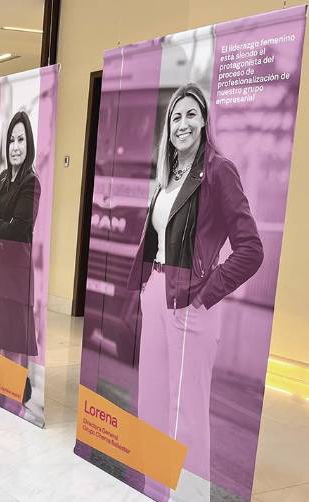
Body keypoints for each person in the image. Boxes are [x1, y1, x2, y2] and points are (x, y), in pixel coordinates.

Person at [127, 84, 263, 500]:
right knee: (152, 404)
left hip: (192, 302)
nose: (182, 124)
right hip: (158, 296)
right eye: (175, 117)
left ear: (204, 120)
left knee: (185, 416)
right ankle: (156, 490)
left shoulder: (219, 171)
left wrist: (205, 294)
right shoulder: (169, 177)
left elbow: (251, 249)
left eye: (190, 115)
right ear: (168, 128)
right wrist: (143, 288)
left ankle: (187, 497)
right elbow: (158, 241)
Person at [0, 111, 41, 407]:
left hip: (18, 278)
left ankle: (14, 397)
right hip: (1, 274)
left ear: (28, 143)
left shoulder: (31, 183)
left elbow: (20, 228)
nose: (15, 146)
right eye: (11, 140)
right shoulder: (4, 178)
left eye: (21, 140)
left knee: (14, 345)